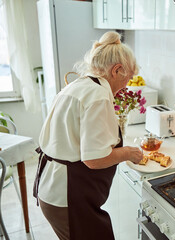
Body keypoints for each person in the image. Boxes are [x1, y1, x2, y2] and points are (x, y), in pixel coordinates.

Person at [33, 31, 143, 240]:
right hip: (67, 196)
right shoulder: (98, 95)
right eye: (128, 77)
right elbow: (94, 159)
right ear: (117, 70)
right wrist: (128, 152)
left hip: (55, 189)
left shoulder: (80, 85)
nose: (127, 84)